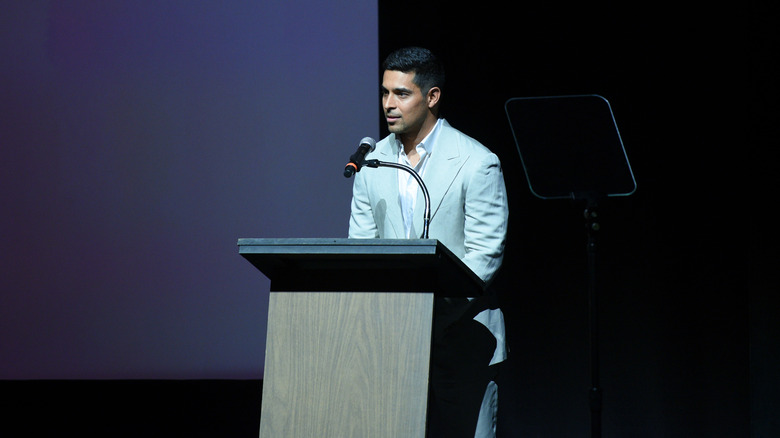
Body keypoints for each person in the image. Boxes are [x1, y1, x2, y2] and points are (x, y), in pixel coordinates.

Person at [348, 47, 509, 438]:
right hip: (392, 342)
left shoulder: (476, 161)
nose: (389, 104)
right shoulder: (372, 162)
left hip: (463, 336)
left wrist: (426, 316)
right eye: (385, 93)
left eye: (402, 94)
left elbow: (484, 256)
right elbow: (361, 248)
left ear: (432, 97)